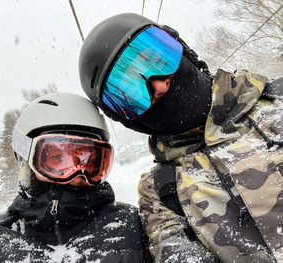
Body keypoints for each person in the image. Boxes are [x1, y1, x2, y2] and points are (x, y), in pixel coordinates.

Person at [78, 12, 283, 262]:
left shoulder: (277, 103)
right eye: (133, 93)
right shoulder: (160, 192)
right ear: (128, 119)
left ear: (185, 51)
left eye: (159, 59)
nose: (160, 86)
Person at [0, 92, 152, 262]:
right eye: (57, 159)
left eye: (89, 161)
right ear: (27, 161)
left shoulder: (133, 227)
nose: (77, 173)